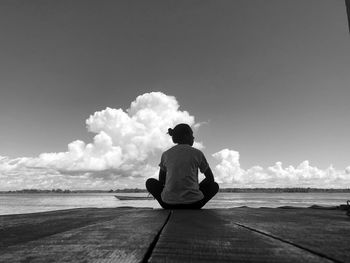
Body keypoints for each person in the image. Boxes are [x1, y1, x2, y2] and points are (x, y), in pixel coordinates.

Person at [146, 123, 219, 209]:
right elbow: (210, 178)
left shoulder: (166, 154)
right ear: (186, 136)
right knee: (214, 186)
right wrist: (196, 188)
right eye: (192, 135)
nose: (193, 137)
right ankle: (193, 197)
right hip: (194, 204)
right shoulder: (197, 153)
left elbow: (162, 180)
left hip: (168, 204)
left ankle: (170, 199)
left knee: (150, 182)